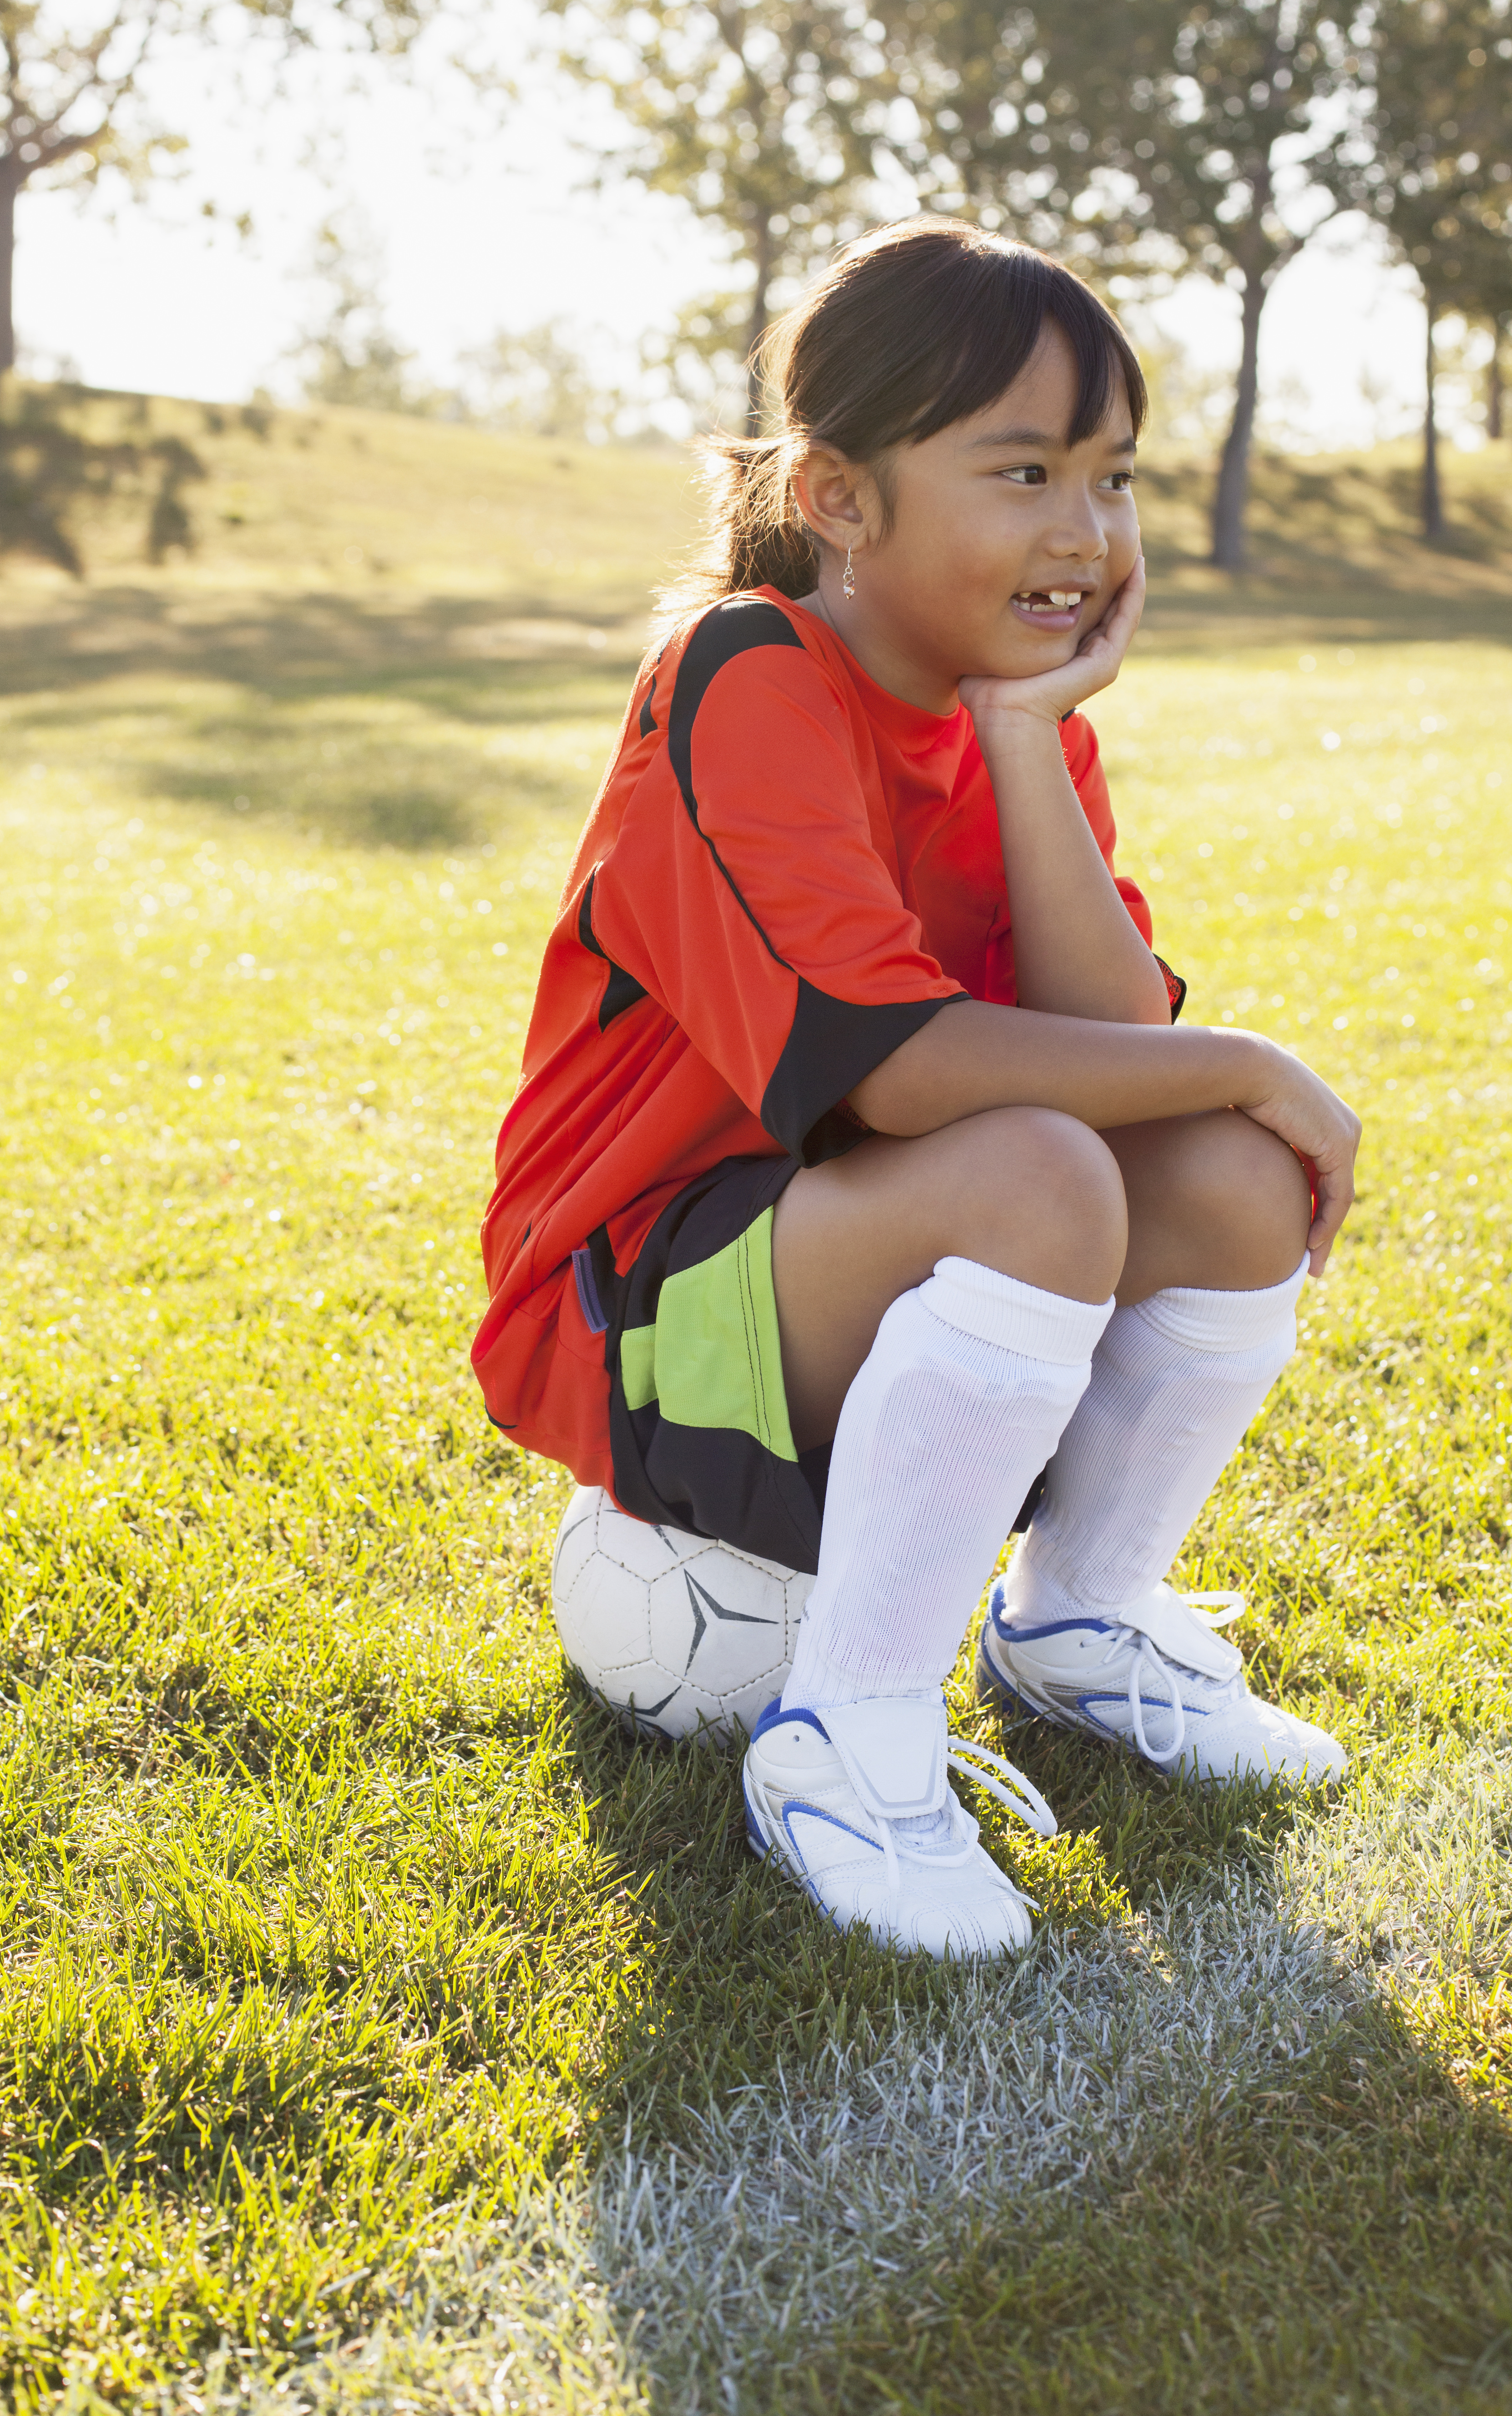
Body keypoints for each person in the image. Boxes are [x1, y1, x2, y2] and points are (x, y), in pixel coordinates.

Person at [471, 218, 1360, 1964]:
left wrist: (1030, 739)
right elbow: (882, 1078)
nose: (1083, 531)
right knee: (1044, 1168)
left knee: (1231, 1175)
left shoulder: (1018, 716)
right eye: (1022, 470)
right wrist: (1251, 1053)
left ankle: (1080, 1625)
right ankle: (848, 1741)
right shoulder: (743, 672)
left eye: (1112, 478)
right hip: (642, 1304)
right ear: (841, 496)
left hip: (856, 1260)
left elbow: (1123, 1052)